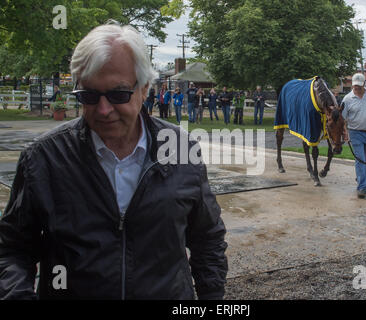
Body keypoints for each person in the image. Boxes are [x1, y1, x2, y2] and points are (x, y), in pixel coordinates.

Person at [0, 22, 228, 300]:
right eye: (89, 95)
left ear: (145, 89)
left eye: (119, 94)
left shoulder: (181, 150)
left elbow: (207, 237)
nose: (104, 110)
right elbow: (12, 249)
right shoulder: (44, 158)